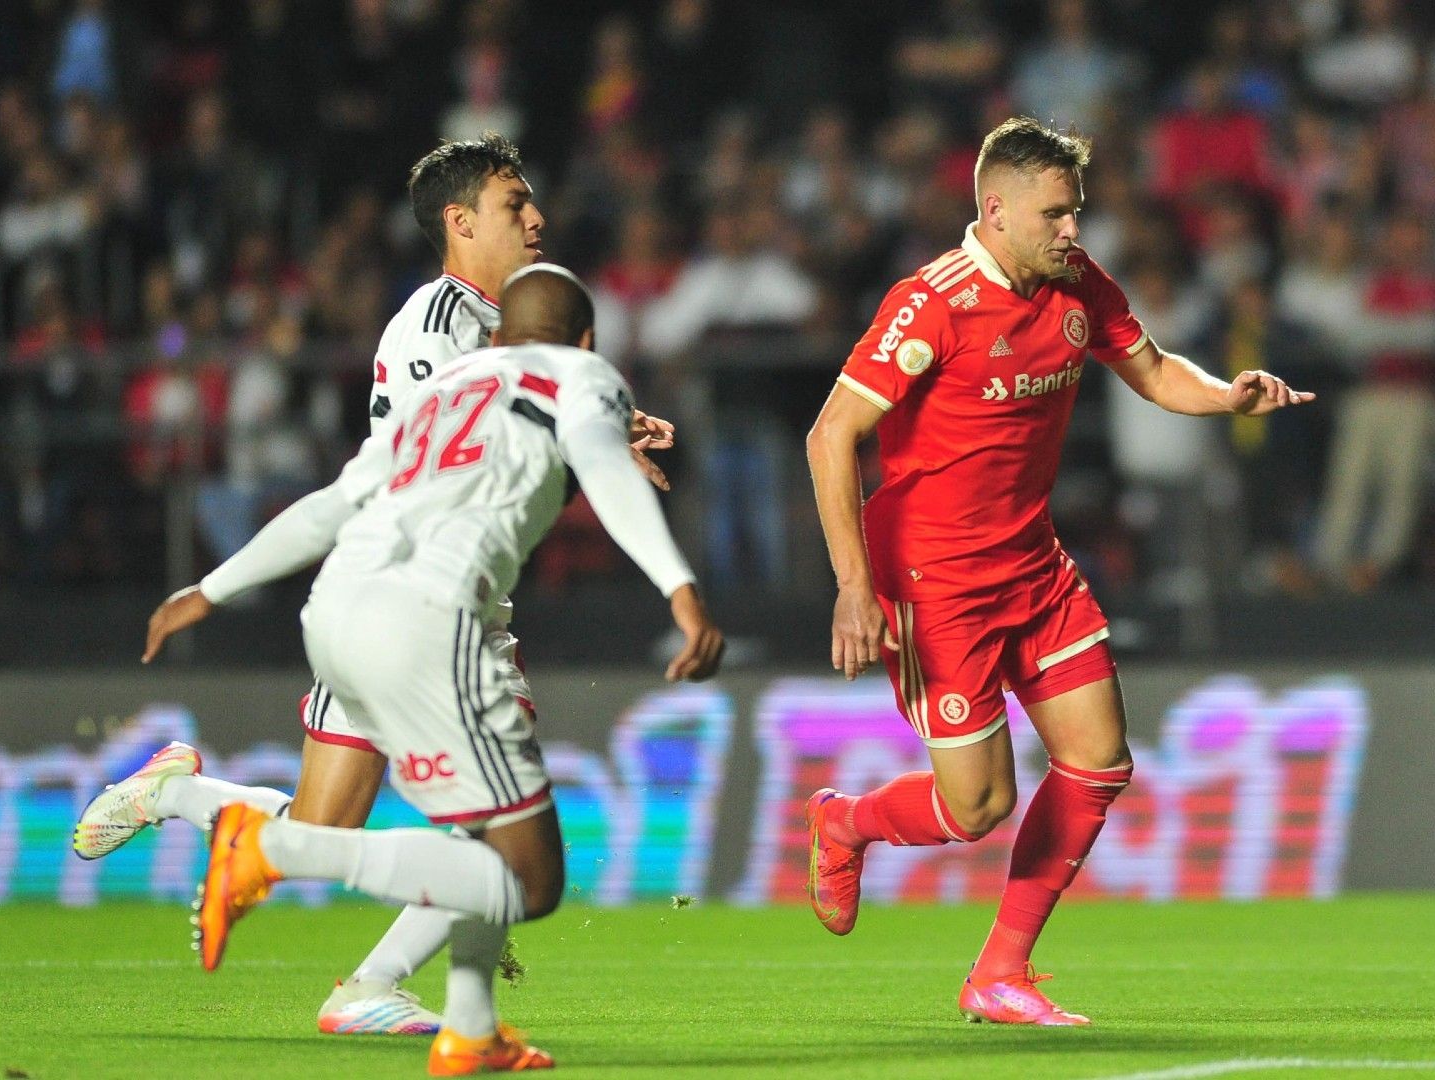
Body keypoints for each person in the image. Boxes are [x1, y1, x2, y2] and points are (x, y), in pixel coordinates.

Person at [72, 134, 673, 1035]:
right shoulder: (435, 328)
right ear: (460, 222)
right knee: (500, 841)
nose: (537, 218)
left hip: (422, 594)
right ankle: (373, 990)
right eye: (516, 204)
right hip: (420, 603)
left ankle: (174, 793)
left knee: (325, 832)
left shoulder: (500, 322)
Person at [144, 264, 724, 1073]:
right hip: (429, 622)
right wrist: (681, 588)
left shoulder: (451, 391)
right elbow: (604, 472)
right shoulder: (580, 373)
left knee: (483, 832)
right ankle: (270, 850)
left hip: (338, 609)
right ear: (585, 341)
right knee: (525, 876)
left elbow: (332, 504)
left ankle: (470, 1027)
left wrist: (209, 588)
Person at [803, 117, 1312, 1025]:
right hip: (934, 583)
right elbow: (831, 433)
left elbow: (1154, 372)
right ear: (994, 211)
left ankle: (1000, 973)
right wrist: (852, 585)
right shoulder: (933, 302)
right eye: (1055, 214)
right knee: (978, 806)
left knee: (1099, 760)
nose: (1073, 230)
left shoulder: (1077, 283)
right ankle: (845, 821)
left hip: (1033, 567)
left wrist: (1226, 391)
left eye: (1076, 211)